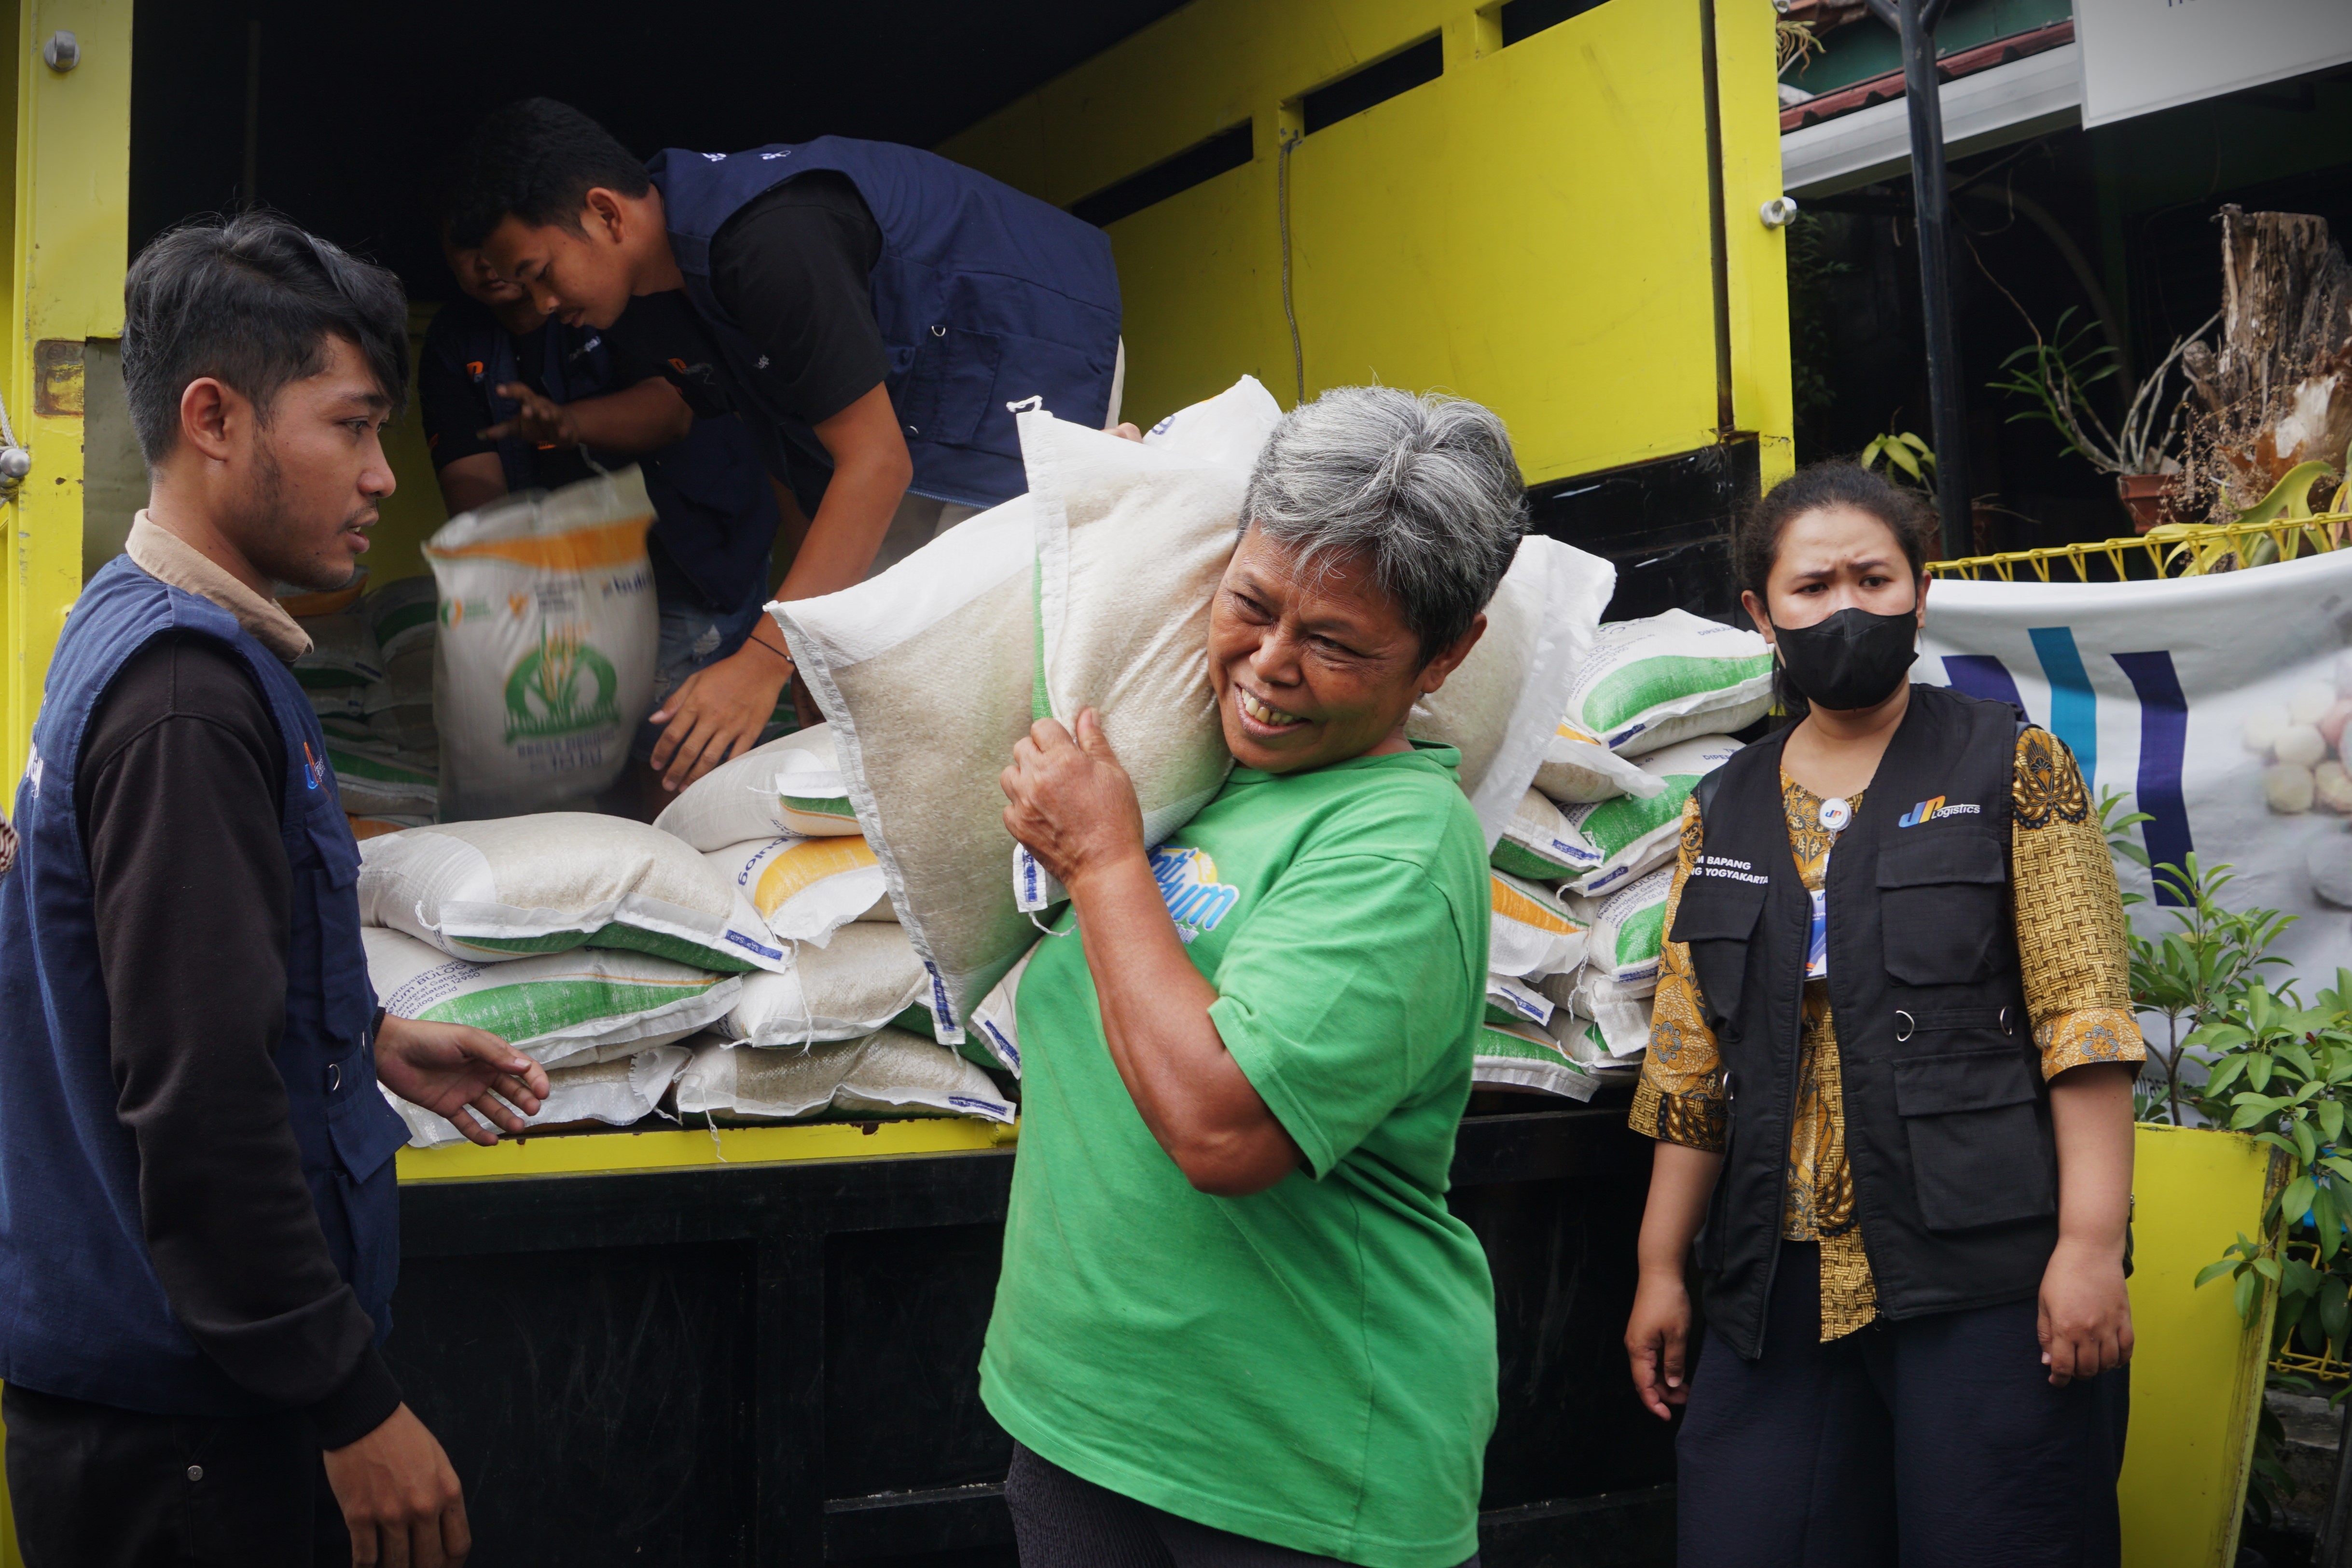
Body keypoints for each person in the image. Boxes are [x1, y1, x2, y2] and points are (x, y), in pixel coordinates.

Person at [0, 213, 554, 1567]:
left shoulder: (130, 624)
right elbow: (200, 1101)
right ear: (214, 418)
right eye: (350, 428)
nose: (381, 477)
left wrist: (355, 1034)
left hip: (159, 1398)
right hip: (195, 1432)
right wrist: (348, 1400)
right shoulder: (185, 699)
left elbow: (141, 972)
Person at [983, 388, 1513, 1568]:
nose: (1269, 667)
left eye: (1335, 643)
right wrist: (1117, 510)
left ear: (1446, 653)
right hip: (1075, 1417)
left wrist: (1105, 863)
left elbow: (1221, 1130)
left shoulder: (1399, 844)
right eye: (1251, 606)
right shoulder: (1176, 754)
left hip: (1290, 1473)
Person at [1620, 463, 2141, 1566]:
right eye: (1812, 587)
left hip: (1982, 1269)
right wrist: (1662, 1265)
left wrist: (2090, 1247)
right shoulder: (1720, 808)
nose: (1846, 608)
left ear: (1920, 591)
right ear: (1761, 613)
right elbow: (1686, 1064)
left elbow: (2085, 1020)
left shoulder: (2011, 765)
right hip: (1774, 1278)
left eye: (1873, 578)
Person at [444, 98, 1123, 790]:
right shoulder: (647, 302)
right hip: (908, 412)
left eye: (539, 272)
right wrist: (804, 637)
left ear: (605, 214)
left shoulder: (766, 240)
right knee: (871, 660)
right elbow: (782, 444)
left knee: (979, 657)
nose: (541, 304)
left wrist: (767, 656)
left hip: (1029, 340)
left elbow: (876, 462)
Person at [417, 222, 791, 805]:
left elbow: (669, 411)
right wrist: (505, 577)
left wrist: (570, 424)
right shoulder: (454, 338)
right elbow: (470, 475)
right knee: (586, 752)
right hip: (566, 574)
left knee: (674, 757)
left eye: (496, 242)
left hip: (690, 551)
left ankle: (683, 855)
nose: (486, 261)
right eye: (465, 245)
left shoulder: (601, 291)